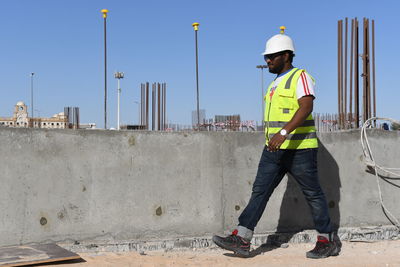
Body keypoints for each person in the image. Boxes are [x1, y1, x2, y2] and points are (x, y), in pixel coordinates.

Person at [212, 26, 341, 259]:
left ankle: (327, 240)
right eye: (266, 57)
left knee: (312, 194)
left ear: (287, 56)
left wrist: (284, 132)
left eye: (272, 56)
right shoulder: (274, 83)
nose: (268, 60)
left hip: (299, 149)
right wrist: (276, 138)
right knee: (259, 191)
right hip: (273, 149)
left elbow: (306, 107)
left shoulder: (300, 76)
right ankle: (241, 238)